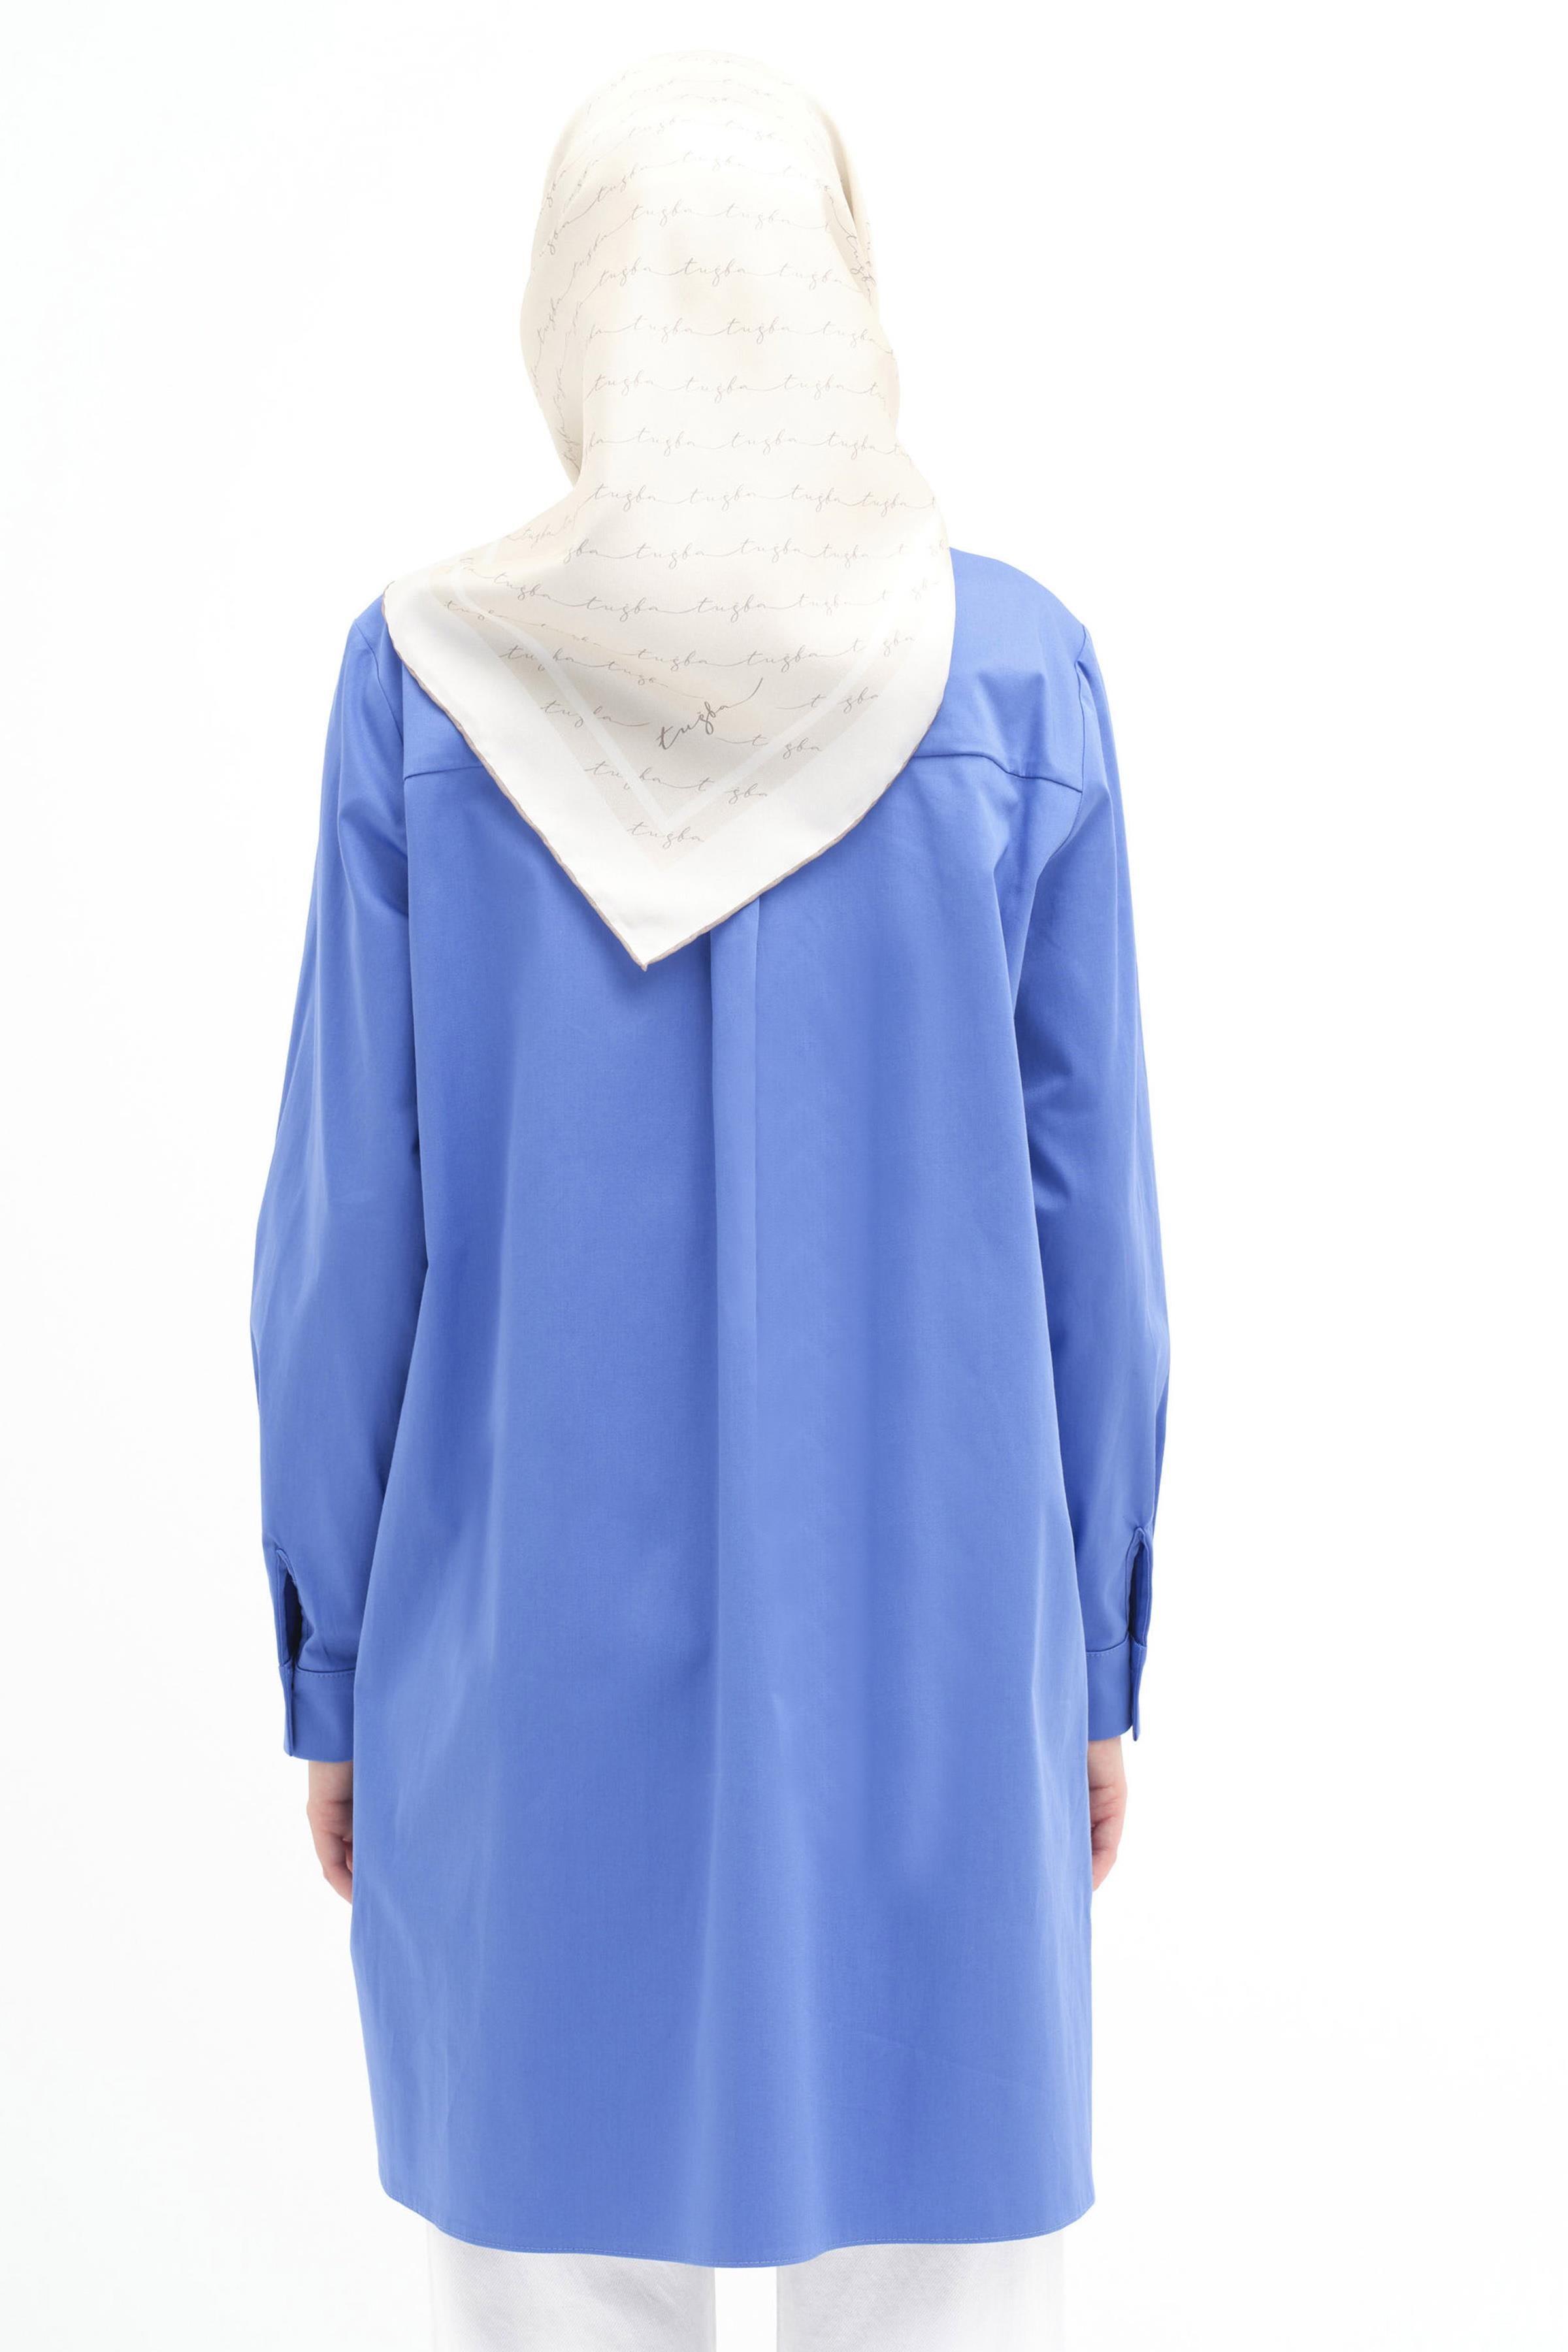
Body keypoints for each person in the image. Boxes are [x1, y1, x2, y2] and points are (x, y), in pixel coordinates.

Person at [252, 52, 1168, 2352]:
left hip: (517, 1657)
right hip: (944, 1656)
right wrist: (1094, 1653)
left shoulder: (427, 683)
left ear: (574, 308)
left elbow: (348, 1227)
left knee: (547, 2256)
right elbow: (1098, 1227)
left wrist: (338, 1663)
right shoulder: (1017, 672)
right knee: (947, 2276)